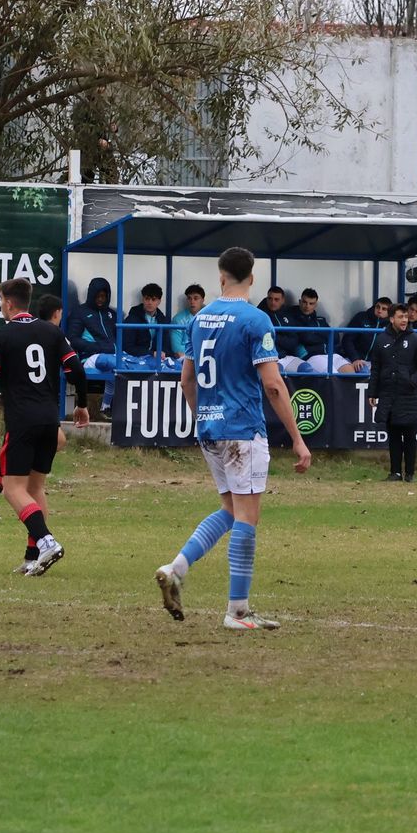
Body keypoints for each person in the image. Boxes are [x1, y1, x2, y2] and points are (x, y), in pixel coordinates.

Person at [155, 246, 312, 630]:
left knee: (229, 510)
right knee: (247, 517)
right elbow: (273, 385)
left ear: (221, 276)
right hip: (243, 430)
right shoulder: (256, 320)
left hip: (210, 428)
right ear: (252, 278)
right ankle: (237, 612)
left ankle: (176, 568)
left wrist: (203, 418)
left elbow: (186, 380)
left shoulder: (200, 319)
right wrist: (297, 437)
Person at [0, 278, 90, 576]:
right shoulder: (51, 332)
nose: (1, 307)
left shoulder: (2, 335)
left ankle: (47, 542)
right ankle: (32, 557)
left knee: (13, 490)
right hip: (50, 421)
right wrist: (82, 404)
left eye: (1, 302)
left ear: (9, 303)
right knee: (35, 489)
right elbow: (76, 369)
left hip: (22, 422)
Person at [368, 302, 417, 482]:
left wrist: (413, 381)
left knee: (410, 437)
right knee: (394, 436)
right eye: (400, 317)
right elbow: (376, 368)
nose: (404, 320)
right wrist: (372, 392)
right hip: (389, 395)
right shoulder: (381, 340)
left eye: (406, 317)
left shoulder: (416, 340)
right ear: (392, 319)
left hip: (409, 396)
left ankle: (410, 473)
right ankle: (395, 472)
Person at [66, 277, 118, 366]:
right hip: (90, 357)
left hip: (113, 356)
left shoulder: (112, 314)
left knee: (129, 364)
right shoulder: (79, 312)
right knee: (115, 364)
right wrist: (97, 347)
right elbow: (72, 339)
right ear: (91, 295)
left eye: (103, 296)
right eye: (97, 296)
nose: (100, 299)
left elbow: (119, 337)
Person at [339, 297, 393, 372]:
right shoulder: (361, 317)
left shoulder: (391, 325)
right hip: (355, 359)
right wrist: (355, 358)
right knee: (362, 372)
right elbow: (347, 340)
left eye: (384, 309)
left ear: (389, 312)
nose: (379, 311)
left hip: (375, 362)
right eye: (378, 307)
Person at [122, 282, 172, 358]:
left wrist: (163, 352)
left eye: (153, 299)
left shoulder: (163, 320)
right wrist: (151, 353)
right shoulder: (132, 319)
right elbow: (127, 346)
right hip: (136, 357)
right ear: (143, 299)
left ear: (159, 301)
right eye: (147, 299)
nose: (150, 302)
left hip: (157, 359)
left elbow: (166, 345)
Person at [170, 284, 205, 358]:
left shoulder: (210, 317)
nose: (192, 301)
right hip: (185, 359)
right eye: (189, 298)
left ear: (202, 300)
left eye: (196, 298)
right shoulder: (178, 319)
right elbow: (176, 348)